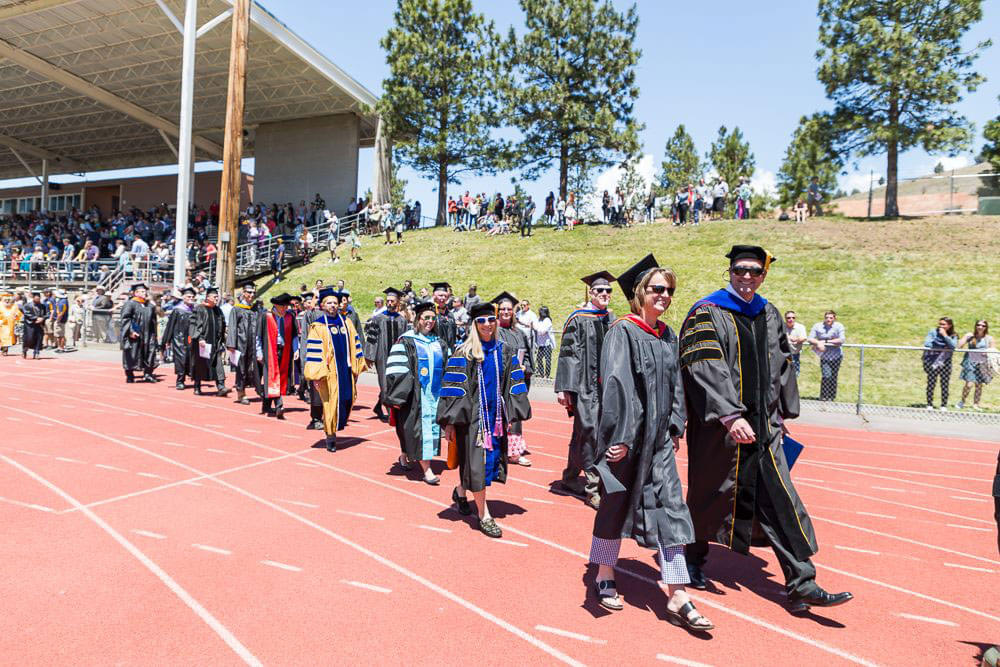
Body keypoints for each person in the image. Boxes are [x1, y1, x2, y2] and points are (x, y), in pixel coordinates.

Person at [681, 245, 852, 613]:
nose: (746, 277)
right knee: (709, 497)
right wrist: (729, 414)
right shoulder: (707, 312)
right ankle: (691, 559)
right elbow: (704, 365)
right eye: (740, 270)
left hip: (765, 431)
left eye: (754, 272)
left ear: (763, 275)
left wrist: (784, 413)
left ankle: (802, 582)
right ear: (729, 271)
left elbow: (783, 364)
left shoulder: (769, 313)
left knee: (782, 500)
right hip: (722, 433)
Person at [587, 254, 712, 631]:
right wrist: (620, 437)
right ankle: (604, 571)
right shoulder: (623, 331)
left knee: (672, 509)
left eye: (669, 290)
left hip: (658, 441)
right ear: (641, 292)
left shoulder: (667, 335)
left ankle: (677, 592)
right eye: (658, 289)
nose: (665, 295)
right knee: (614, 505)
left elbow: (676, 385)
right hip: (627, 440)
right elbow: (617, 385)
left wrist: (675, 426)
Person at [437, 301, 531, 537]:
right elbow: (453, 388)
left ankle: (460, 491)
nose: (487, 324)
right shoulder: (464, 353)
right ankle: (484, 515)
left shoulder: (504, 350)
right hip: (472, 419)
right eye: (482, 321)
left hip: (495, 417)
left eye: (491, 320)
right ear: (474, 324)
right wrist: (450, 422)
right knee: (477, 464)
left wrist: (512, 412)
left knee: (486, 464)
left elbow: (514, 381)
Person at [555, 271, 616, 510]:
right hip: (584, 387)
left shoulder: (611, 319)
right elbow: (568, 354)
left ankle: (571, 477)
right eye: (599, 290)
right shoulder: (578, 318)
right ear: (591, 293)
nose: (604, 294)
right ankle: (592, 489)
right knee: (590, 432)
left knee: (583, 433)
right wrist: (565, 389)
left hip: (605, 387)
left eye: (608, 290)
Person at [385, 300, 448, 484]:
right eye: (425, 318)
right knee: (416, 431)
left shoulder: (439, 343)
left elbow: (446, 368)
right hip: (414, 396)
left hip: (434, 395)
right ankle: (427, 471)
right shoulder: (406, 340)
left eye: (432, 318)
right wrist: (400, 393)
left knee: (421, 431)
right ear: (418, 319)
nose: (430, 321)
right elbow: (397, 368)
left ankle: (404, 455)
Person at [303, 288, 366, 452]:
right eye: (329, 303)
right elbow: (315, 352)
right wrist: (317, 375)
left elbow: (355, 344)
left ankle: (336, 427)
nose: (332, 305)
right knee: (331, 403)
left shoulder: (347, 323)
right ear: (323, 305)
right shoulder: (318, 326)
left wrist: (357, 365)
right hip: (329, 373)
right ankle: (330, 436)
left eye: (335, 303)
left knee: (348, 399)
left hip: (346, 370)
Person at [494, 291, 533, 467]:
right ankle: (496, 450)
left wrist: (525, 367)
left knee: (515, 415)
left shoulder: (519, 333)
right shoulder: (493, 330)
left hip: (516, 380)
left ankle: (514, 452)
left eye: (509, 309)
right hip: (498, 380)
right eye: (502, 309)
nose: (505, 312)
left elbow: (527, 355)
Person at [364, 287, 409, 422]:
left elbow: (406, 340)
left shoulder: (402, 320)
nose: (389, 303)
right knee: (384, 384)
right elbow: (372, 338)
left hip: (397, 357)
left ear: (397, 303)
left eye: (392, 301)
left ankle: (378, 406)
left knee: (394, 384)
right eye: (388, 301)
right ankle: (391, 414)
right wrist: (369, 356)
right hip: (382, 356)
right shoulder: (378, 319)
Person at [259, 293, 298, 419]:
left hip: (284, 350)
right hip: (269, 350)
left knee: (279, 377)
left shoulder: (289, 317)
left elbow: (294, 335)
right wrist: (259, 352)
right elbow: (257, 336)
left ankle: (266, 405)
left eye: (286, 306)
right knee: (272, 376)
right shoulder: (266, 316)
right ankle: (279, 404)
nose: (285, 309)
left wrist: (295, 349)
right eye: (283, 306)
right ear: (276, 305)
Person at [189, 286, 229, 396]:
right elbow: (195, 325)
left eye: (218, 297)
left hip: (215, 343)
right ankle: (197, 386)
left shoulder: (218, 310)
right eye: (215, 297)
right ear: (208, 297)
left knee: (218, 364)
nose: (217, 299)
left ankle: (221, 387)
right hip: (203, 342)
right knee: (200, 365)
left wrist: (223, 338)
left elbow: (223, 325)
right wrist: (200, 338)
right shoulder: (199, 309)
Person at [227, 283, 261, 405]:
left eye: (253, 293)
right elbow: (232, 327)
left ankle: (258, 388)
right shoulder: (236, 309)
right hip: (240, 344)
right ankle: (241, 393)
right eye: (249, 292)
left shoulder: (255, 310)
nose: (252, 295)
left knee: (253, 367)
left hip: (253, 343)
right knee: (241, 368)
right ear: (243, 293)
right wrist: (231, 344)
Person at [119, 283, 158, 383]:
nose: (144, 293)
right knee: (132, 353)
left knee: (150, 352)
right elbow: (125, 319)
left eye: (145, 291)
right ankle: (130, 375)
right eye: (142, 291)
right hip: (135, 333)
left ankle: (148, 374)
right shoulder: (130, 303)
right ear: (135, 293)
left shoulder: (149, 305)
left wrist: (154, 334)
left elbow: (154, 320)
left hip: (148, 334)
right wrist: (130, 331)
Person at [160, 287, 196, 389]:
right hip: (179, 339)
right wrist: (167, 340)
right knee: (181, 359)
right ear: (183, 297)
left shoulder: (195, 310)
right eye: (188, 296)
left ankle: (191, 377)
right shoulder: (177, 310)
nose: (191, 298)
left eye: (192, 297)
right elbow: (170, 326)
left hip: (190, 338)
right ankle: (180, 381)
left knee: (191, 358)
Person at [807, 311, 845, 401]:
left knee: (834, 376)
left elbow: (842, 339)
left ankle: (831, 397)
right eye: (827, 317)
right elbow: (810, 338)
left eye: (831, 318)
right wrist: (818, 343)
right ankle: (823, 396)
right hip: (825, 356)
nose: (828, 319)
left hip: (836, 356)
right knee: (826, 375)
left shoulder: (839, 326)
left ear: (834, 318)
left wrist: (826, 342)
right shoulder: (818, 326)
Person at [922, 317, 958, 411]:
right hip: (933, 361)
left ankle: (943, 405)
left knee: (944, 384)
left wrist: (945, 335)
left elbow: (953, 346)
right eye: (940, 324)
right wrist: (943, 345)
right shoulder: (933, 332)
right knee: (931, 383)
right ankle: (929, 404)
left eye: (943, 324)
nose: (940, 326)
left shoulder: (954, 335)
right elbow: (927, 343)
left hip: (945, 361)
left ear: (949, 325)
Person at [957, 320, 994, 410]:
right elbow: (959, 346)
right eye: (978, 325)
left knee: (979, 385)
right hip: (970, 361)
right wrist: (966, 337)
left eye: (983, 325)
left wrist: (986, 353)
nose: (980, 327)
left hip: (982, 363)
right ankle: (962, 401)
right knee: (969, 384)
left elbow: (992, 351)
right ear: (975, 326)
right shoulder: (970, 336)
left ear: (986, 327)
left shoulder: (989, 338)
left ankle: (976, 404)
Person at [430, 282, 458, 351]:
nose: (443, 298)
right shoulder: (430, 313)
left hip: (450, 350)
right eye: (440, 295)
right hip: (435, 350)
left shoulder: (450, 314)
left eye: (445, 296)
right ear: (434, 296)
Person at [20, 291, 45, 359]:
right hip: (29, 325)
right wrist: (36, 318)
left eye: (39, 298)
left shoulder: (42, 306)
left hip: (39, 325)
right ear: (33, 298)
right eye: (36, 298)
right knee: (29, 338)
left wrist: (42, 318)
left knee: (39, 338)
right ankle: (24, 350)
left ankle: (36, 352)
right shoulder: (28, 305)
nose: (38, 299)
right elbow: (26, 313)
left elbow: (47, 314)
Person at [533, 306, 555, 379]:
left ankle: (547, 375)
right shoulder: (538, 320)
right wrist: (538, 329)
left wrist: (537, 329)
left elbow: (543, 331)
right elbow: (535, 326)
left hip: (547, 344)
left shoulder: (547, 320)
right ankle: (541, 374)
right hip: (540, 344)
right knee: (539, 359)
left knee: (547, 360)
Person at [0, 289, 24, 355]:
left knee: (7, 337)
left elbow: (19, 314)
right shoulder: (0, 306)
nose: (7, 301)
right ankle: (3, 348)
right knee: (3, 337)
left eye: (8, 300)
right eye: (5, 300)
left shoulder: (14, 306)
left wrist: (17, 315)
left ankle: (5, 349)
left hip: (10, 325)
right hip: (2, 324)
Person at [784, 310, 807, 377]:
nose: (791, 319)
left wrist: (795, 339)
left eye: (793, 317)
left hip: (795, 354)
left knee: (795, 375)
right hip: (784, 354)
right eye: (789, 318)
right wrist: (788, 338)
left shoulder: (800, 327)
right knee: (784, 374)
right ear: (785, 318)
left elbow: (804, 338)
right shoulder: (782, 326)